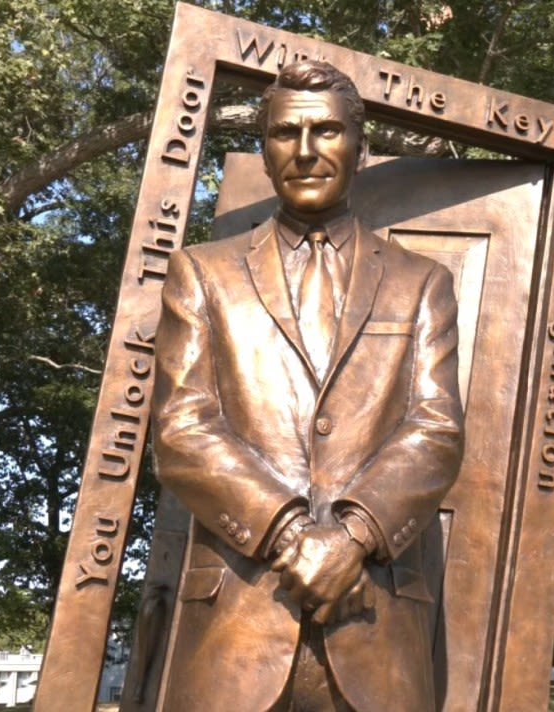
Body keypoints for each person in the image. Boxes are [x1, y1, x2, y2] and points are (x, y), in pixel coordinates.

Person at [152, 59, 464, 712]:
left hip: (377, 629)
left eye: (326, 131)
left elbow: (435, 429)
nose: (305, 151)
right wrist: (292, 533)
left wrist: (352, 538)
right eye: (284, 134)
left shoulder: (421, 283)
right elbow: (182, 429)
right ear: (264, 151)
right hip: (237, 625)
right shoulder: (203, 275)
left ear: (360, 146)